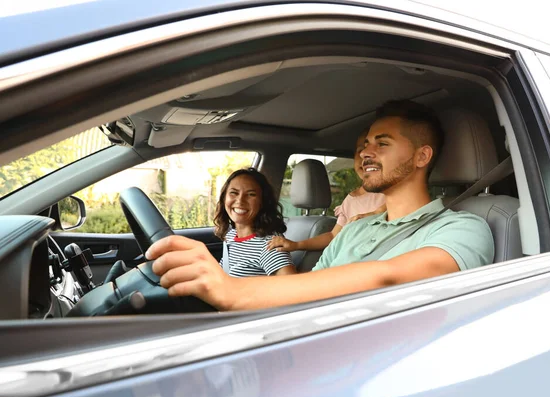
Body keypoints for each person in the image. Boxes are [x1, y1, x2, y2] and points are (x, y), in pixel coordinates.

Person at [145, 100, 494, 311]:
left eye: (382, 144)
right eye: (366, 144)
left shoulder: (463, 227)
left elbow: (386, 277)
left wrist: (232, 290)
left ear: (422, 156)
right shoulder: (355, 228)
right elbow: (308, 291)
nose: (365, 152)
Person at [266, 131, 386, 253]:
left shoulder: (390, 197)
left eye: (381, 146)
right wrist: (297, 245)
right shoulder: (350, 200)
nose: (364, 156)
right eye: (360, 150)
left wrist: (378, 212)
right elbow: (333, 236)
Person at [213, 168, 296, 277]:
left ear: (262, 202)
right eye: (234, 193)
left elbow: (291, 288)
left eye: (251, 194)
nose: (240, 200)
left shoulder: (269, 244)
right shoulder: (231, 236)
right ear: (224, 198)